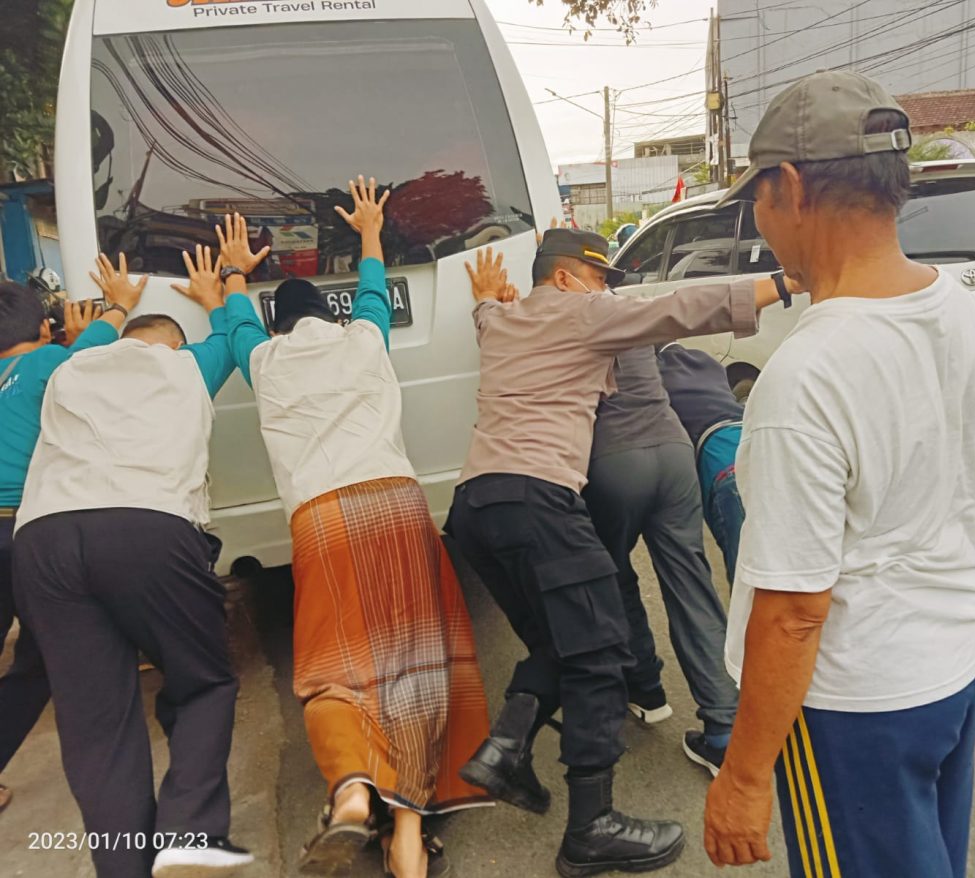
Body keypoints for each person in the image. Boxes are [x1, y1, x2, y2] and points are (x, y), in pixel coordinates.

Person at [700, 71, 975, 878]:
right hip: (958, 665)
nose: (758, 216)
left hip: (858, 703)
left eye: (755, 195)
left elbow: (793, 612)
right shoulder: (966, 310)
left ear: (790, 187)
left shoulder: (808, 375)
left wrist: (745, 776)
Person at [447, 228, 784, 877]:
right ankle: (591, 827)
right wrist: (788, 280)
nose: (605, 288)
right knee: (601, 651)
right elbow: (684, 307)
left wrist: (485, 298)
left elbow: (488, 311)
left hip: (477, 507)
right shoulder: (583, 309)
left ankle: (505, 752)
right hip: (540, 497)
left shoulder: (503, 320)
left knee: (564, 640)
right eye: (598, 277)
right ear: (571, 277)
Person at [220, 177, 491, 878]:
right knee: (414, 666)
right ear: (330, 319)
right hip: (397, 507)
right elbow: (373, 287)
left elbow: (234, 318)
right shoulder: (365, 340)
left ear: (279, 328)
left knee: (337, 669)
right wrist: (370, 228)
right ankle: (408, 832)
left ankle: (349, 793)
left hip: (324, 520)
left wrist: (228, 276)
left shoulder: (264, 361)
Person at [12, 249, 252, 878]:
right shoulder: (187, 366)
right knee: (203, 684)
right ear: (172, 347)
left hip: (43, 541)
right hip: (146, 526)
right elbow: (233, 334)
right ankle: (186, 841)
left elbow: (93, 330)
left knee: (96, 727)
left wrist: (116, 301)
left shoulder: (69, 367)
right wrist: (219, 293)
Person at [0, 271, 138, 814]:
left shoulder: (35, 364)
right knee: (38, 662)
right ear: (42, 325)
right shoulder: (46, 363)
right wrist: (120, 306)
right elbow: (91, 355)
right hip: (24, 531)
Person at [581, 336, 746, 778]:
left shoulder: (559, 318)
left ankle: (647, 690)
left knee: (614, 574)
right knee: (691, 584)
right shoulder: (627, 316)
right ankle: (724, 732)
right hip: (674, 455)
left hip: (612, 459)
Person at [655, 343, 748, 585]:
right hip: (753, 444)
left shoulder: (654, 373)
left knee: (747, 584)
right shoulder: (706, 361)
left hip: (726, 469)